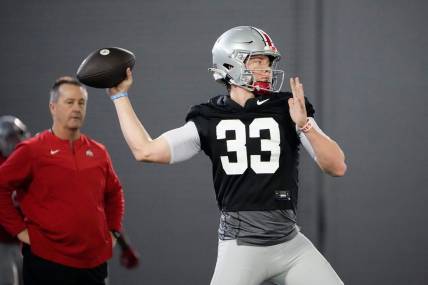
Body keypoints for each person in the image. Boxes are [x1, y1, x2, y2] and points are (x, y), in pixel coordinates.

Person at [108, 26, 347, 285]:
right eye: (257, 61)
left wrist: (305, 125)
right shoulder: (209, 116)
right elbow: (146, 150)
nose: (266, 69)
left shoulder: (287, 107)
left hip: (289, 243)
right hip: (241, 247)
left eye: (268, 62)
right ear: (230, 63)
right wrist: (120, 96)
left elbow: (336, 167)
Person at [0, 77, 125, 285]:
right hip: (47, 263)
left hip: (94, 264)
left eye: (81, 103)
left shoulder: (99, 152)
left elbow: (115, 192)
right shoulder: (32, 150)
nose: (76, 108)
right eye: (69, 102)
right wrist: (20, 232)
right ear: (53, 107)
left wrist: (113, 232)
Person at [0, 115, 30, 285]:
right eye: (10, 137)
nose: (15, 142)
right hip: (3, 242)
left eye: (17, 136)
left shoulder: (27, 162)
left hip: (22, 243)